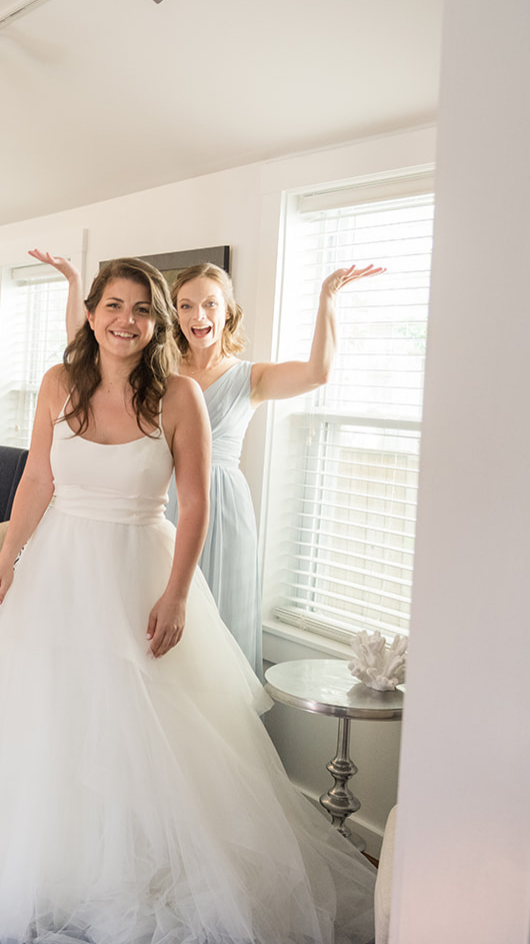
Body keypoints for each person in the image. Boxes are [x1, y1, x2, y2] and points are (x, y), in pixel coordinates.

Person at [0, 258, 376, 944]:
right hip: (60, 571)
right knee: (61, 718)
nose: (127, 320)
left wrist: (180, 594)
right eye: (113, 306)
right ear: (91, 314)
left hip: (140, 572)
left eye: (142, 309)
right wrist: (5, 561)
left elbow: (195, 505)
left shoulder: (182, 395)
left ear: (157, 321)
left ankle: (142, 862)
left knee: (146, 727)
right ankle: (58, 858)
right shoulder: (60, 385)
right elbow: (37, 479)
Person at [35, 249, 382, 677]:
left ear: (228, 313)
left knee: (216, 638)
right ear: (172, 315)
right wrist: (74, 283)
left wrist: (328, 296)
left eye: (210, 304)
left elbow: (317, 373)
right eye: (186, 305)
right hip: (159, 502)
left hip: (222, 507)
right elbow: (92, 341)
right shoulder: (158, 372)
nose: (198, 315)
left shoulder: (250, 377)